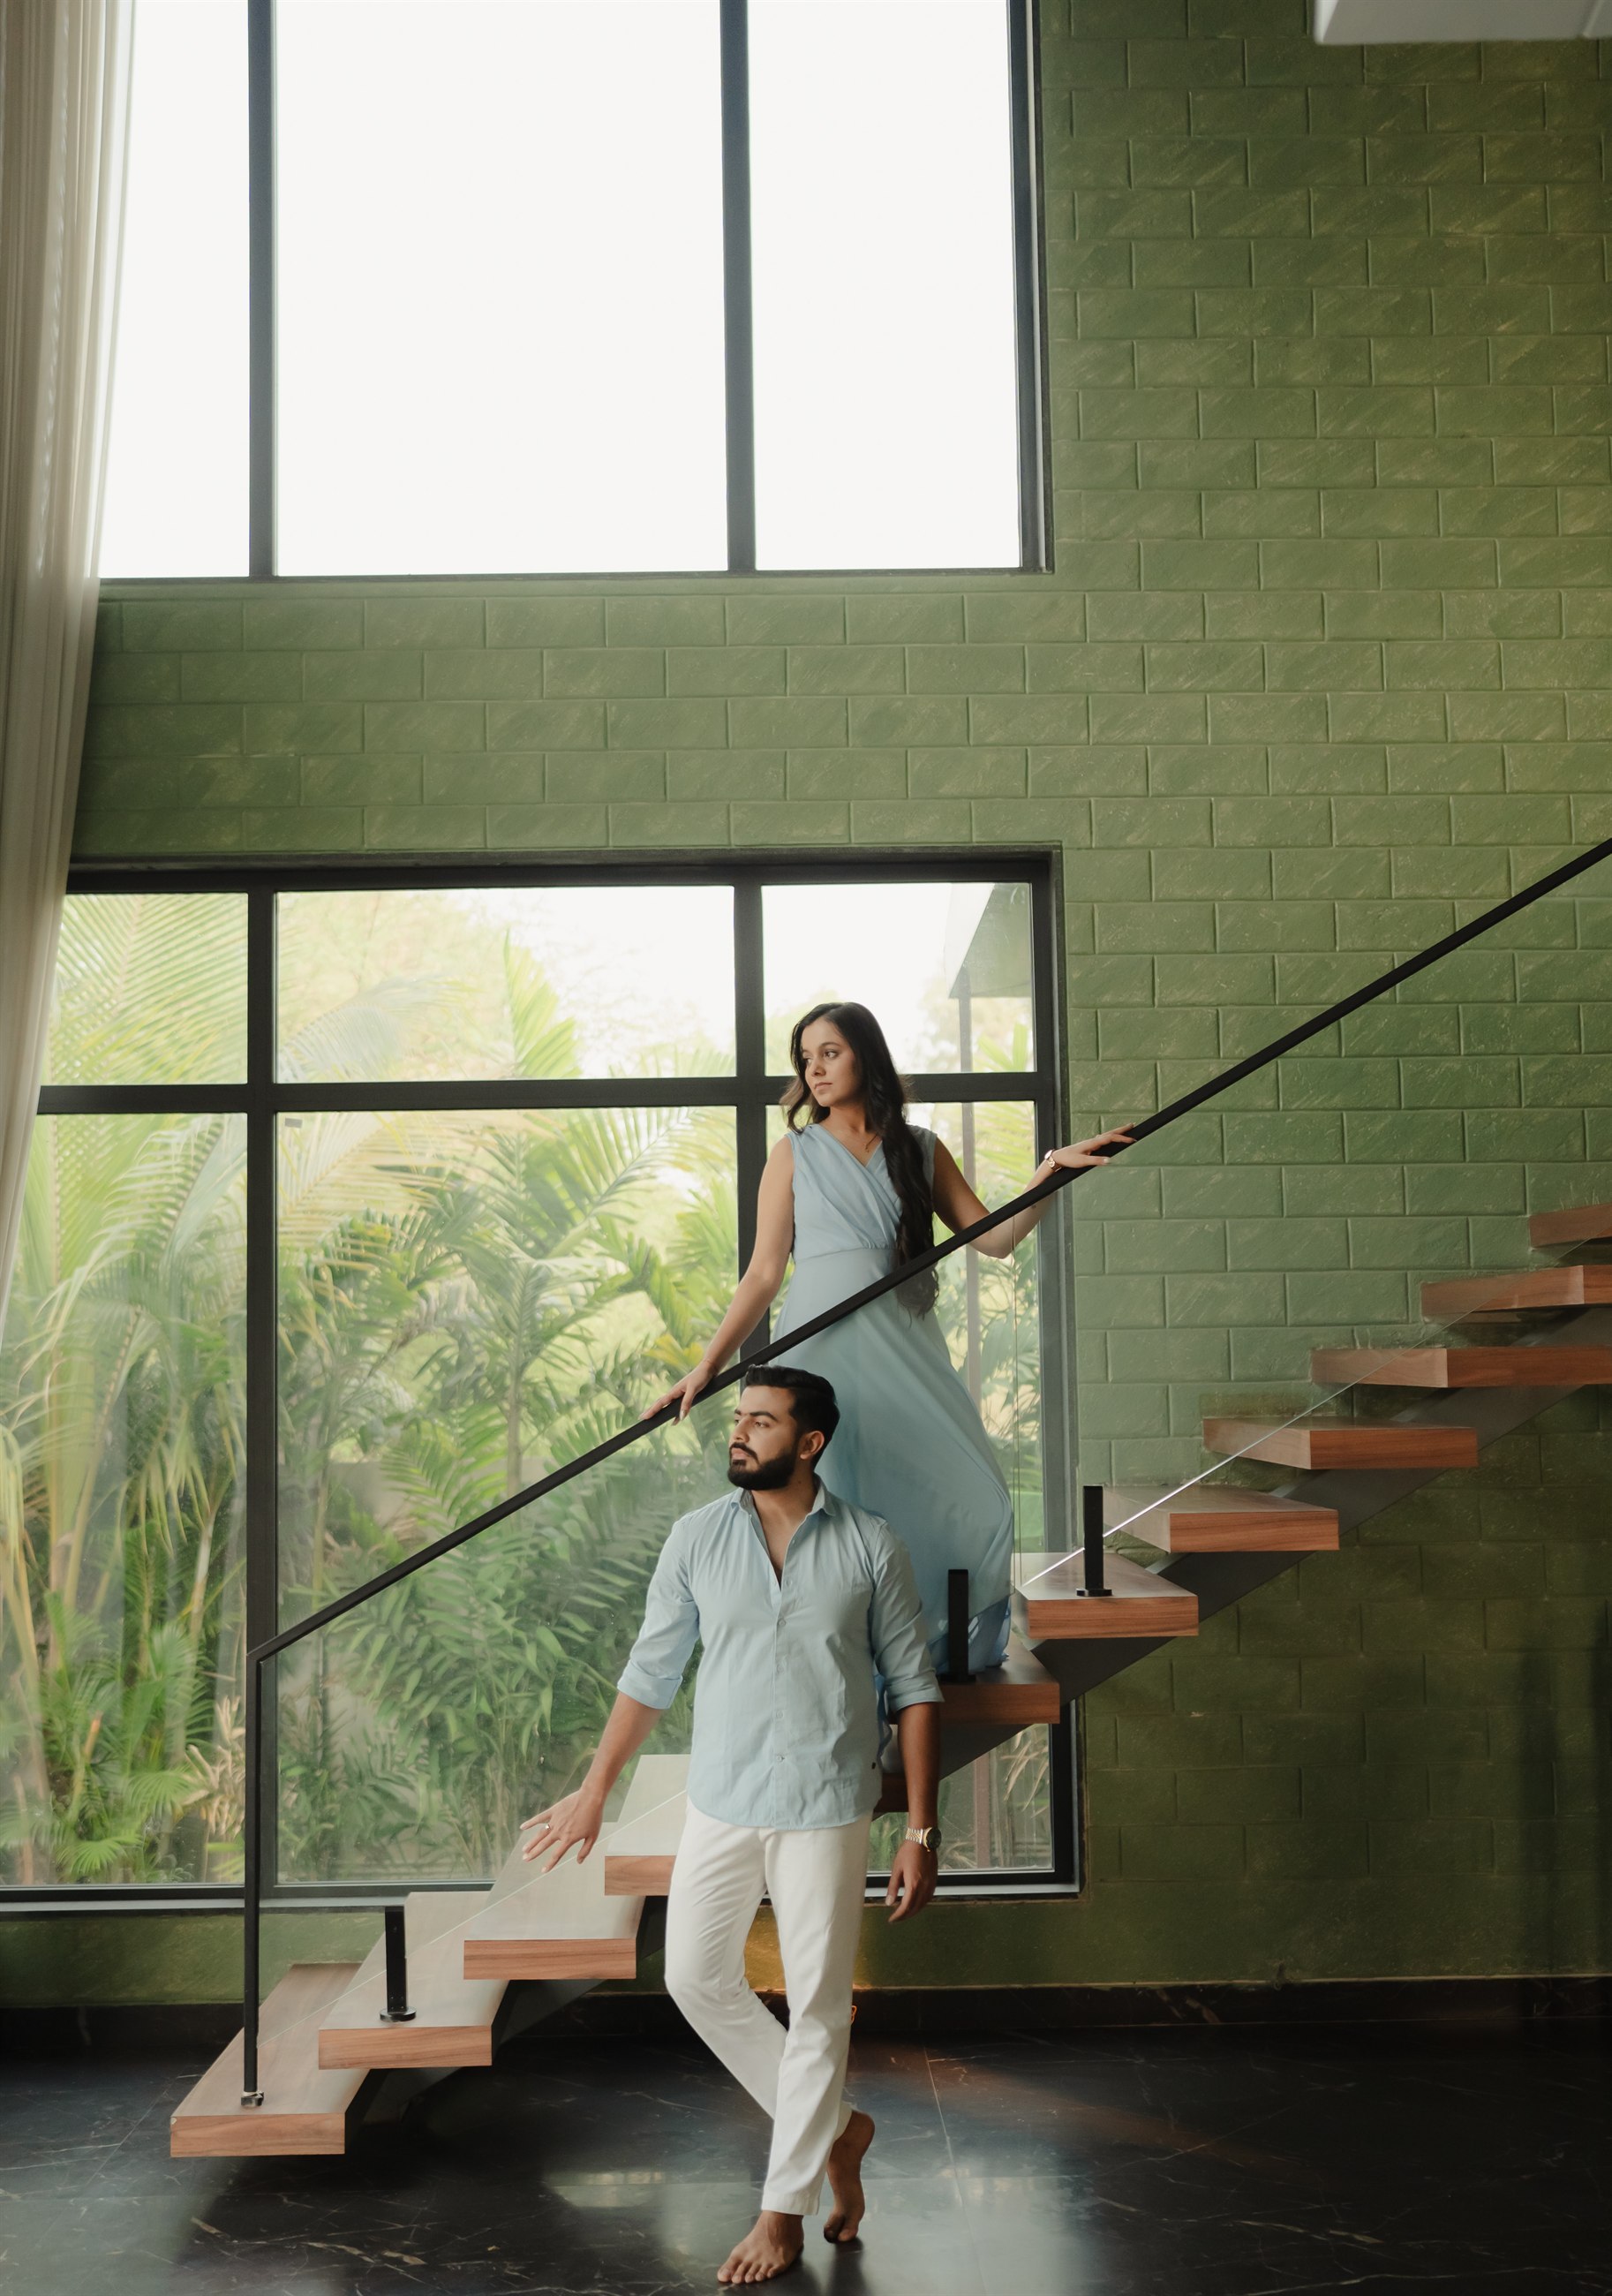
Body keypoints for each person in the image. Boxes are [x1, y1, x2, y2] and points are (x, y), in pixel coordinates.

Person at [520, 1363, 943, 2286]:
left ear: (810, 1441)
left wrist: (919, 1827)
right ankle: (836, 2127)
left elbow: (913, 1688)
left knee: (818, 2009)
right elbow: (649, 1672)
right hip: (721, 1798)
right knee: (693, 1974)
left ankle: (780, 2209)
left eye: (760, 1419)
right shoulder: (695, 1538)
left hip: (828, 1804)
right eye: (737, 1417)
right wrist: (594, 1787)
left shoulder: (871, 1544)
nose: (738, 1431)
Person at [649, 1000, 1131, 1672]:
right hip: (817, 1352)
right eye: (807, 1058)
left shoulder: (920, 1149)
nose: (814, 1069)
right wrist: (707, 1367)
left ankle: (924, 1655)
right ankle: (848, 1674)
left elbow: (995, 1239)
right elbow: (762, 1275)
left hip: (903, 1348)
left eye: (830, 1053)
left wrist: (1052, 1171)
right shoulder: (792, 1154)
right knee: (840, 1503)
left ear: (864, 1055)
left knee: (979, 1496)